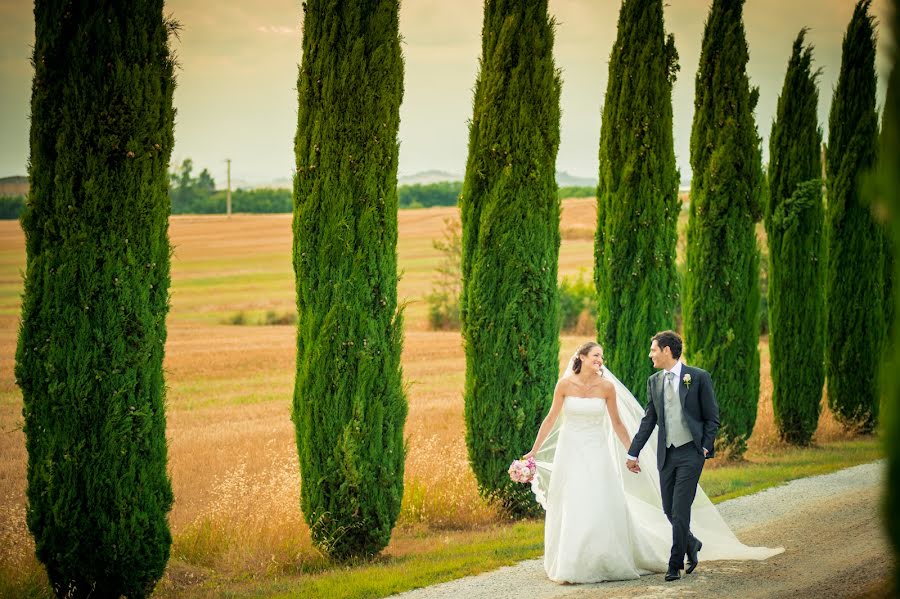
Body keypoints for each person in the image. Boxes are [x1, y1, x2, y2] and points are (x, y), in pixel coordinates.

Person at [525, 339, 782, 584]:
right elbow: (550, 420)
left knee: (598, 501)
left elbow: (618, 424)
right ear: (581, 357)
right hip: (570, 453)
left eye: (601, 356)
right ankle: (570, 562)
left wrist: (631, 453)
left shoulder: (606, 388)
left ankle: (605, 559)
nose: (600, 360)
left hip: (596, 453)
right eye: (596, 356)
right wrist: (533, 452)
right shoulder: (564, 386)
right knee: (572, 503)